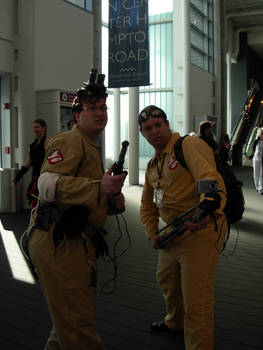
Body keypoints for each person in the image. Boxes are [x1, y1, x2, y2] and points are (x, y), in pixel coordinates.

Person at [27, 70, 126, 350]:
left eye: (103, 108)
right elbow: (46, 185)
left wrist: (109, 201)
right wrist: (98, 187)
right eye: (92, 108)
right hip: (59, 243)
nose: (100, 113)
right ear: (77, 115)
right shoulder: (69, 141)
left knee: (66, 325)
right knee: (79, 329)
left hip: (76, 241)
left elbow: (83, 192)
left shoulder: (90, 146)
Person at [138, 105, 227, 350]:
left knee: (196, 300)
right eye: (148, 128)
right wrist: (152, 232)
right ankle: (174, 322)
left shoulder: (188, 145)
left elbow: (208, 176)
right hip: (173, 231)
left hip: (201, 230)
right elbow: (147, 205)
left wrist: (208, 207)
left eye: (158, 125)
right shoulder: (152, 164)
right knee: (167, 279)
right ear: (142, 134)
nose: (154, 131)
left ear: (167, 125)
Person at [13, 118, 49, 208]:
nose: (34, 129)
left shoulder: (48, 142)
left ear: (44, 128)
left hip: (45, 177)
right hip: (35, 177)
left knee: (44, 205)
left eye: (37, 127)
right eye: (33, 127)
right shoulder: (34, 145)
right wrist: (17, 178)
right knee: (35, 205)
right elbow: (27, 163)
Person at [251, 127, 263, 194]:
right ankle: (257, 186)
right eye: (261, 134)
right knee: (256, 173)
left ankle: (261, 188)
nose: (262, 135)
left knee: (262, 173)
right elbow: (252, 149)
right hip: (256, 159)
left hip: (262, 159)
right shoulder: (256, 141)